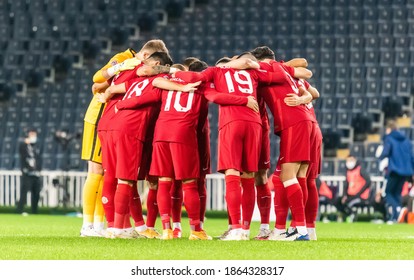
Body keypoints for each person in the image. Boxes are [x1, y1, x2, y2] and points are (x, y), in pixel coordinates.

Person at [378, 120, 414, 223]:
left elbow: (385, 152)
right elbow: (412, 157)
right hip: (406, 171)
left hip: (394, 170)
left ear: (389, 129)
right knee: (397, 193)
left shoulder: (389, 138)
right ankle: (396, 216)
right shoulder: (406, 140)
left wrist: (379, 157)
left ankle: (397, 210)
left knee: (388, 192)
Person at [335, 155, 371, 223]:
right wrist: (344, 195)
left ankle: (352, 215)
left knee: (350, 203)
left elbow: (368, 181)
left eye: (351, 160)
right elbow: (346, 185)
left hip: (360, 196)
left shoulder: (360, 170)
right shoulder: (348, 171)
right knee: (337, 201)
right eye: (348, 161)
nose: (349, 162)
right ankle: (349, 214)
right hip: (350, 195)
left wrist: (359, 193)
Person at [17, 129, 42, 214]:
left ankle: (34, 211)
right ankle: (19, 210)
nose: (33, 136)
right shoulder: (24, 145)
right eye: (31, 134)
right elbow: (20, 145)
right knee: (24, 193)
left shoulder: (36, 147)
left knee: (36, 194)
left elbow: (39, 159)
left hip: (36, 174)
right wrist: (25, 142)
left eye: (34, 134)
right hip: (27, 174)